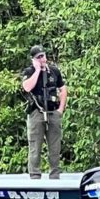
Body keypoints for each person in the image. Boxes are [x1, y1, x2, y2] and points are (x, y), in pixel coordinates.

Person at [21, 45, 68, 179]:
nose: (42, 59)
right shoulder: (29, 71)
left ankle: (54, 175)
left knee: (55, 147)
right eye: (39, 57)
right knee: (35, 146)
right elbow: (27, 87)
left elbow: (63, 89)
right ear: (33, 59)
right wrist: (37, 70)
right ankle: (35, 176)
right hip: (37, 112)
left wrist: (61, 109)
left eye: (43, 55)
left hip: (53, 111)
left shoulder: (53, 71)